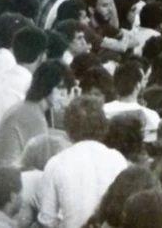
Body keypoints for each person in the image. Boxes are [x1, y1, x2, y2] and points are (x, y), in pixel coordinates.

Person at [37, 96, 128, 227]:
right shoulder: (118, 159)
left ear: (68, 129)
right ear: (103, 126)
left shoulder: (56, 163)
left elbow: (47, 221)